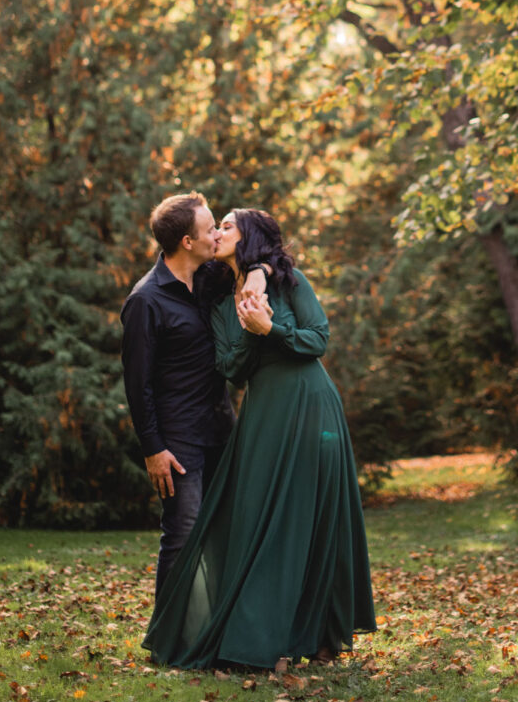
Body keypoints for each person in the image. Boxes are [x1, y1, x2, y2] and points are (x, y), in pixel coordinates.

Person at [144, 208, 376, 671]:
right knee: (258, 517)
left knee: (315, 515)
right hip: (263, 413)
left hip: (311, 403)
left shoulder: (289, 281)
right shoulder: (218, 303)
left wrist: (272, 327)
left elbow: (318, 339)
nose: (218, 232)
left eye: (227, 225)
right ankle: (257, 638)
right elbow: (231, 368)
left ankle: (323, 636)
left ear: (249, 236)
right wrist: (253, 333)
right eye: (216, 226)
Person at [120, 193, 235, 600]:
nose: (217, 235)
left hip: (221, 429)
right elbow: (138, 383)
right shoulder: (145, 300)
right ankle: (167, 633)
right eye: (210, 229)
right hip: (178, 441)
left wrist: (259, 273)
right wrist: (153, 449)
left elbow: (260, 260)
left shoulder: (208, 279)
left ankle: (216, 628)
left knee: (224, 533)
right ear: (188, 241)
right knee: (183, 535)